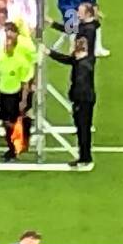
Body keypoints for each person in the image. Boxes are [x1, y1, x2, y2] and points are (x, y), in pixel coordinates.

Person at [46, 35, 96, 168]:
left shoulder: (82, 66)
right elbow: (67, 59)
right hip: (87, 100)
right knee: (83, 129)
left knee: (83, 130)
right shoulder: (85, 59)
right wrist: (50, 52)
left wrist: (75, 100)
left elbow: (80, 85)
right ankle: (85, 156)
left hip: (83, 101)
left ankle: (84, 157)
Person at [0, 22, 36, 160]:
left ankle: (19, 144)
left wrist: (23, 99)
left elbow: (25, 82)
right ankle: (13, 147)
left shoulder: (20, 60)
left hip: (17, 93)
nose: (7, 46)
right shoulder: (0, 57)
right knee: (6, 122)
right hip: (4, 93)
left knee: (20, 118)